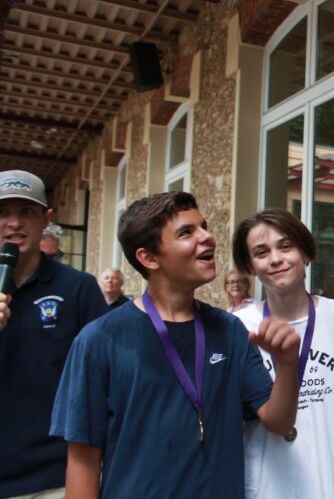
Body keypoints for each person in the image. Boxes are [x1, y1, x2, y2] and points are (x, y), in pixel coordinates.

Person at [49, 191, 301, 497]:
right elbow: (83, 462)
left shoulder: (230, 330)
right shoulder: (98, 341)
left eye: (204, 226)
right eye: (186, 232)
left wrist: (287, 363)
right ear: (149, 258)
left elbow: (278, 421)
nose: (207, 237)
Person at [231, 208, 334, 499]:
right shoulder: (239, 327)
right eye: (261, 252)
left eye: (285, 246)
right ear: (250, 266)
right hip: (266, 488)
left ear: (306, 253)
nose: (275, 259)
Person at [0, 169, 108, 498]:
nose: (14, 223)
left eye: (26, 211)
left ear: (46, 219)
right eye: (3, 212)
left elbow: (104, 377)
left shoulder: (78, 288)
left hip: (55, 475)